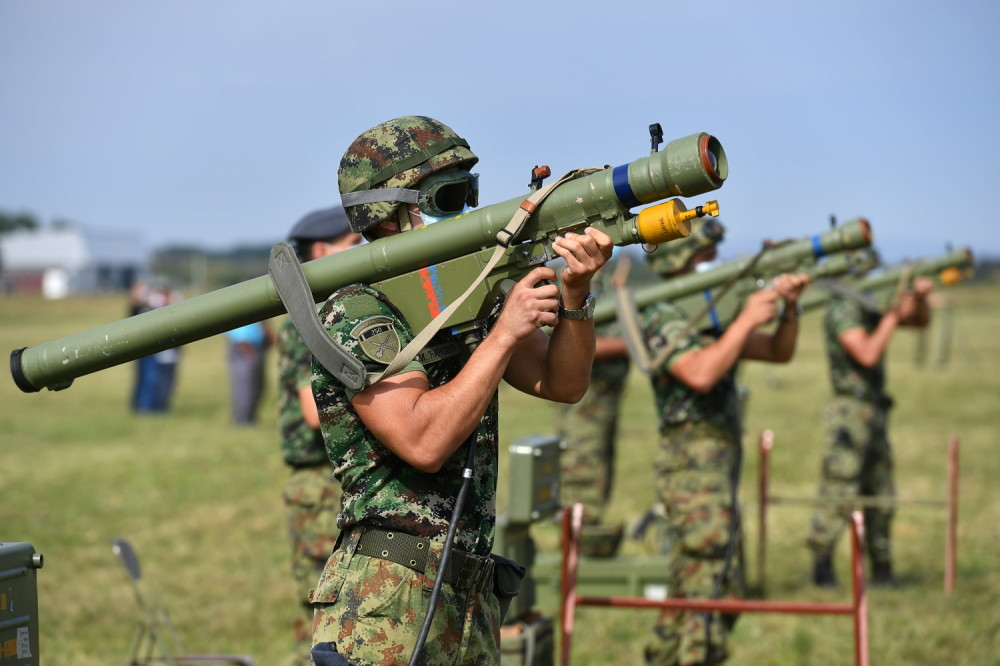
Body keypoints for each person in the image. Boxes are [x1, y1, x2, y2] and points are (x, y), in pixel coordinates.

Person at [307, 115, 611, 665]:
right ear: (394, 213)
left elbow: (563, 383)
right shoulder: (357, 309)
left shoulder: (463, 292)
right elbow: (423, 439)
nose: (468, 210)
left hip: (469, 591)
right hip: (389, 597)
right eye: (449, 197)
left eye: (470, 192)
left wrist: (575, 296)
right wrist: (504, 332)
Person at [639, 219, 810, 666]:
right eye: (705, 257)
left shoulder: (711, 314)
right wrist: (747, 318)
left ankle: (663, 655)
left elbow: (777, 351)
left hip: (717, 462)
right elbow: (700, 373)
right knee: (708, 576)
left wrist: (789, 309)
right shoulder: (661, 313)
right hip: (690, 463)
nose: (713, 265)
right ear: (679, 258)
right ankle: (695, 656)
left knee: (706, 576)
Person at [806, 270, 934, 589]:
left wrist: (919, 300)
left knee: (882, 491)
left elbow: (920, 322)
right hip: (848, 412)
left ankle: (882, 567)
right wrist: (892, 315)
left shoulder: (868, 305)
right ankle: (822, 564)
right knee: (840, 489)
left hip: (875, 408)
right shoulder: (843, 307)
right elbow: (866, 353)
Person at [276, 205, 361, 665]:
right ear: (324, 252)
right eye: (354, 245)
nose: (362, 251)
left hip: (335, 477)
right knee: (321, 609)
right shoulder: (306, 316)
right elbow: (315, 412)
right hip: (319, 480)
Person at [554, 265, 631, 557]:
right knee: (581, 469)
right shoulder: (576, 280)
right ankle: (577, 549)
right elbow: (574, 342)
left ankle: (588, 539)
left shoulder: (607, 280)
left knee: (599, 469)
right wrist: (628, 345)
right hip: (585, 401)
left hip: (605, 398)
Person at [225, 319, 273, 425]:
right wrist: (241, 338)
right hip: (244, 344)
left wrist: (267, 332)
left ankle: (250, 418)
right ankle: (243, 421)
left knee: (258, 384)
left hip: (258, 343)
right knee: (245, 385)